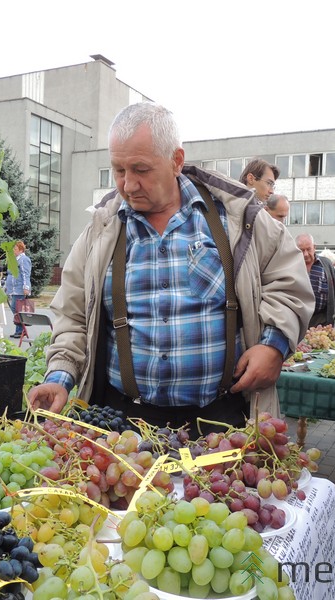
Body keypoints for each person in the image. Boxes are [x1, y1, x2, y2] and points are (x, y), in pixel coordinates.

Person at [27, 102, 313, 428]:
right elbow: (73, 316)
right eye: (119, 170)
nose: (128, 184)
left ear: (176, 161)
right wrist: (60, 377)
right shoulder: (100, 231)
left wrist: (273, 346)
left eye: (141, 169)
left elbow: (289, 284)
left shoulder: (236, 216)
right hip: (124, 425)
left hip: (221, 421)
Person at [296, 233, 335, 327]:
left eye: (308, 249)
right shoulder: (291, 266)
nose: (305, 254)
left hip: (322, 322)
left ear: (314, 247)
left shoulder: (326, 264)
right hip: (298, 321)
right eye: (301, 250)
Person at [4, 241, 32, 339]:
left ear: (21, 250)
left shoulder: (24, 259)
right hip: (13, 289)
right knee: (16, 309)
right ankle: (20, 330)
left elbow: (25, 274)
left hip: (19, 288)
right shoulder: (15, 259)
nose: (13, 251)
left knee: (17, 309)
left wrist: (26, 287)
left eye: (15, 249)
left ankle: (21, 330)